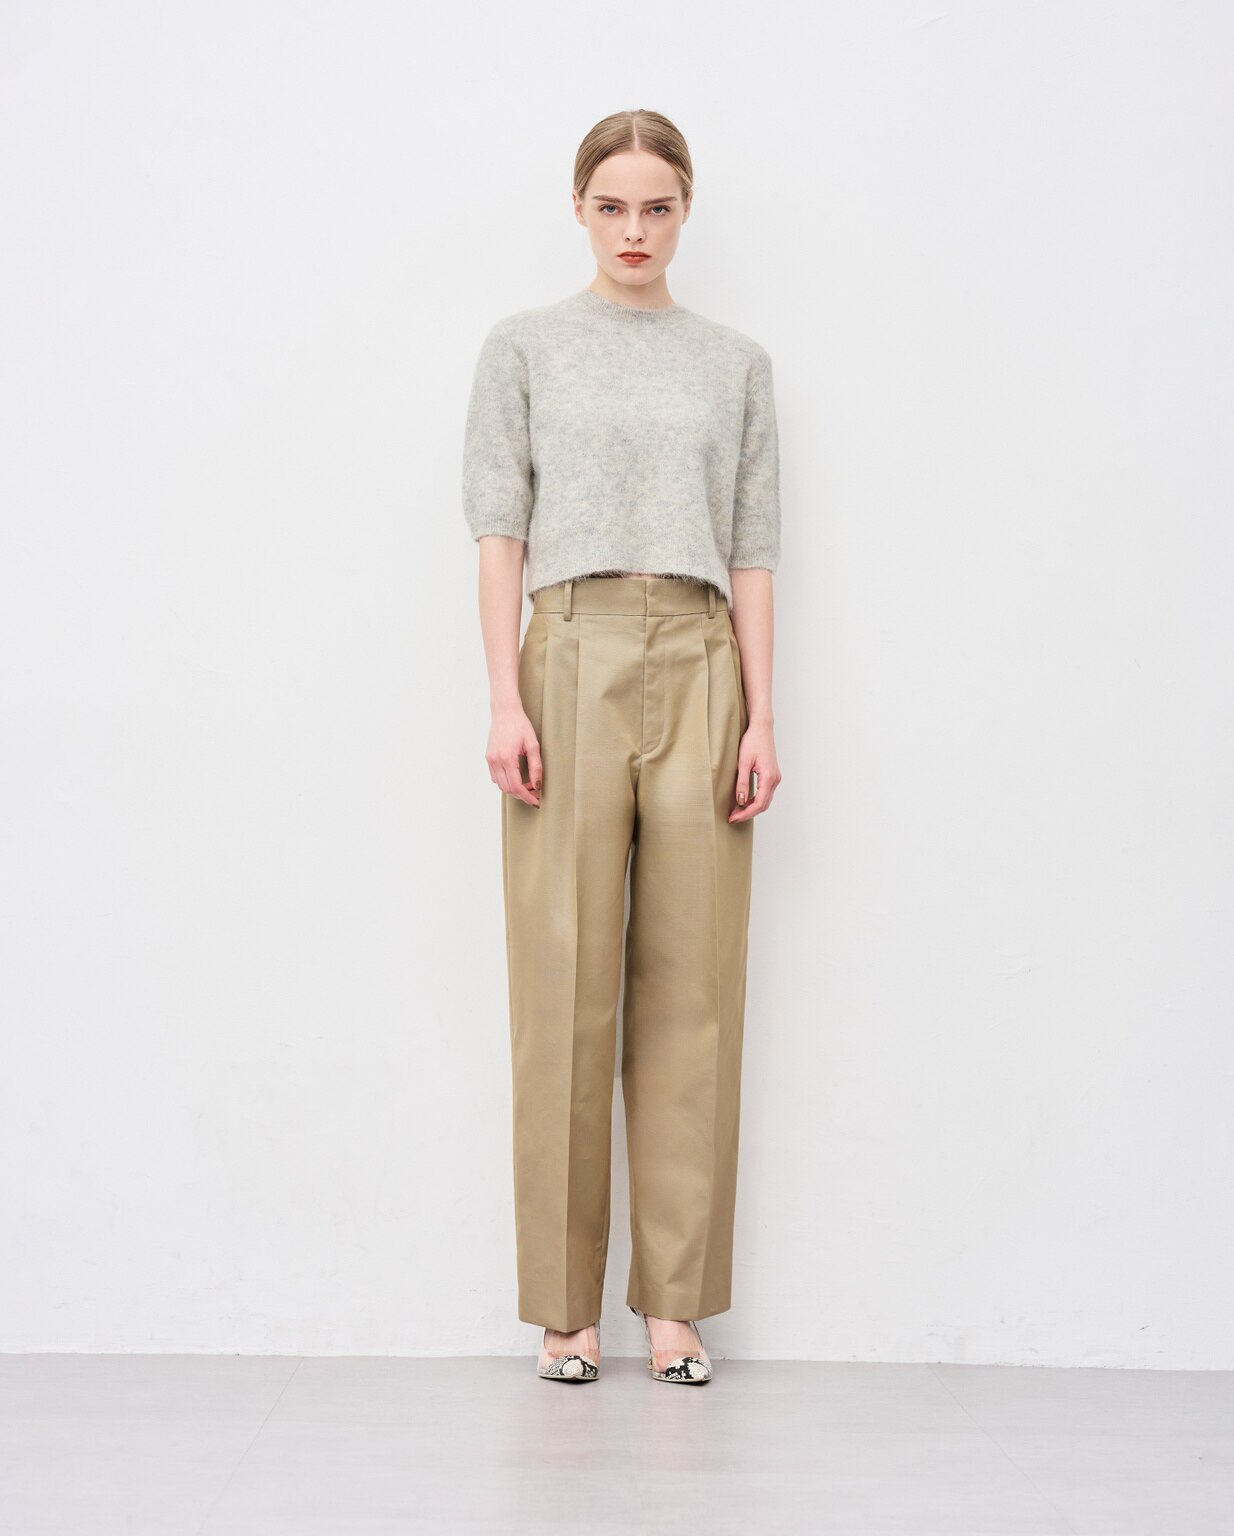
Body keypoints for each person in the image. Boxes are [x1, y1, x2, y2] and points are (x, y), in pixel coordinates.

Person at [462, 108, 782, 1385]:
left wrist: (763, 712)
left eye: (656, 207)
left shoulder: (734, 364)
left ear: (685, 210)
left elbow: (752, 548)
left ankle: (675, 1307)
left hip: (701, 655)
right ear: (579, 209)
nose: (633, 230)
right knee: (563, 983)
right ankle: (563, 1311)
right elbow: (498, 532)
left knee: (692, 990)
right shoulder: (524, 347)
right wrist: (504, 696)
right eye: (612, 207)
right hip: (570, 648)